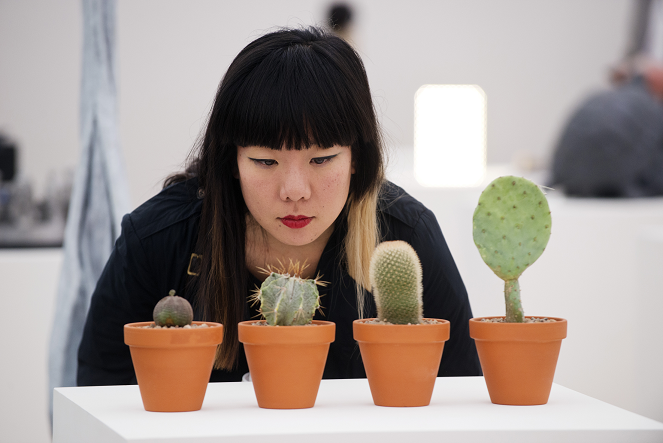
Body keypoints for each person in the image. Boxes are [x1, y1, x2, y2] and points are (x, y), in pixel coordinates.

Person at [77, 26, 481, 386]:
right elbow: (98, 395)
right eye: (265, 162)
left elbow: (463, 391)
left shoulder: (406, 232)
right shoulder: (157, 239)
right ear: (230, 161)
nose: (294, 191)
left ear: (357, 157)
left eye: (321, 160)